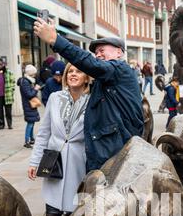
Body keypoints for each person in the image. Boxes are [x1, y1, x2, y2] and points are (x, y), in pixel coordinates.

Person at [34, 18, 144, 173]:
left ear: (119, 52)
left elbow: (89, 63)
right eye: (96, 52)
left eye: (102, 50)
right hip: (107, 151)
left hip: (115, 152)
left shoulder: (119, 69)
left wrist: (55, 40)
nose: (98, 54)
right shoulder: (105, 78)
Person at [28, 64, 90, 216]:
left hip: (79, 163)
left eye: (78, 72)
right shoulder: (55, 98)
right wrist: (34, 161)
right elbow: (44, 132)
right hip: (54, 162)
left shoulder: (92, 101)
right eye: (69, 72)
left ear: (87, 78)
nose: (73, 75)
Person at [17, 64, 41, 148]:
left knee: (32, 122)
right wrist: (36, 89)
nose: (34, 75)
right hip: (28, 105)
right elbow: (29, 94)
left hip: (30, 105)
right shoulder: (25, 82)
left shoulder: (28, 81)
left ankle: (31, 139)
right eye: (33, 74)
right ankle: (27, 141)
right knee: (30, 123)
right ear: (30, 74)